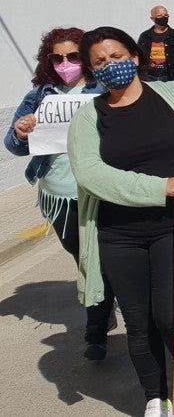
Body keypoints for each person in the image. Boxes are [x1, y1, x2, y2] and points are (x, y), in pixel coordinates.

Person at [67, 27, 174, 417]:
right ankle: (154, 395)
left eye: (116, 56)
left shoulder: (173, 95)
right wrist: (158, 186)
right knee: (138, 322)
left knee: (171, 313)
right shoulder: (87, 116)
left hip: (171, 228)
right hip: (118, 235)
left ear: (134, 56)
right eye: (99, 62)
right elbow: (92, 175)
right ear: (92, 71)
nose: (110, 66)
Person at [5, 27, 116, 361]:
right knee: (79, 254)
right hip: (58, 195)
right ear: (48, 60)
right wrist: (21, 131)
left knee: (96, 259)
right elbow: (13, 145)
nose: (65, 63)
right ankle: (103, 304)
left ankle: (95, 331)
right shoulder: (40, 95)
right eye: (58, 57)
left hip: (99, 191)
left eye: (72, 56)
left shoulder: (104, 89)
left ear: (84, 57)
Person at [136, 6, 174, 82]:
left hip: (169, 77)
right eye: (159, 16)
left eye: (166, 15)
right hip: (149, 77)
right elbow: (139, 57)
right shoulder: (144, 36)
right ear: (152, 18)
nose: (163, 18)